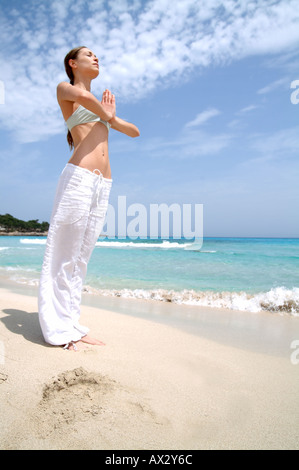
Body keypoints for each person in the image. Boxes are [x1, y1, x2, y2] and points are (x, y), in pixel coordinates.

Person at [38, 46, 140, 351]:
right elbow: (83, 98)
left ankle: (72, 324)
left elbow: (134, 131)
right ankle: (56, 329)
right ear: (73, 63)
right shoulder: (65, 89)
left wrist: (111, 116)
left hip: (103, 183)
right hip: (79, 179)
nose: (96, 58)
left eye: (97, 55)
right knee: (63, 255)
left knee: (81, 259)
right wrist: (105, 112)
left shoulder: (101, 110)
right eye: (88, 54)